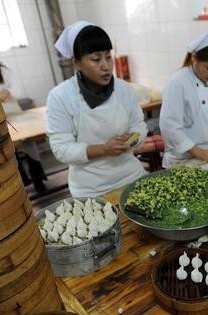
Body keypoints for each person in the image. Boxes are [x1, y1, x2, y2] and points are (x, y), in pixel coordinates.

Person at [46, 21, 148, 197]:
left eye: (108, 56)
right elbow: (61, 149)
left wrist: (131, 140)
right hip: (91, 188)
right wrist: (103, 149)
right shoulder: (61, 96)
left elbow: (139, 126)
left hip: (131, 176)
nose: (106, 66)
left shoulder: (124, 89)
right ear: (76, 62)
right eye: (96, 59)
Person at [159, 31, 208, 168]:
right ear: (194, 57)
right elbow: (170, 127)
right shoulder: (178, 82)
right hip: (183, 160)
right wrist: (201, 153)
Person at [0, 51, 47, 192]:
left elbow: (17, 89)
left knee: (29, 145)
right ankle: (22, 182)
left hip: (14, 114)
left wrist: (8, 93)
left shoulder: (1, 71)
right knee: (9, 148)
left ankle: (38, 179)